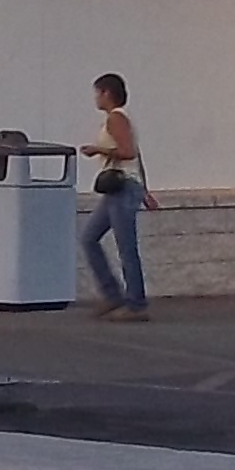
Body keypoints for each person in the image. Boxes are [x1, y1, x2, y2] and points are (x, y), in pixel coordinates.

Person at [81, 72, 152, 319]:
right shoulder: (119, 119)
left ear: (107, 93)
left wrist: (97, 149)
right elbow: (137, 155)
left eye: (97, 93)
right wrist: (146, 189)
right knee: (89, 238)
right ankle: (112, 294)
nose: (95, 99)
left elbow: (128, 152)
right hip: (119, 188)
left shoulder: (116, 119)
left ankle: (136, 303)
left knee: (126, 247)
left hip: (122, 187)